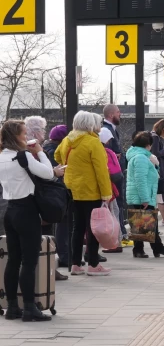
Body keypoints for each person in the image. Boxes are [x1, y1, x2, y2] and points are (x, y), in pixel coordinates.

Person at [0, 120, 55, 321]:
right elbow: (48, 173)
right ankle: (30, 307)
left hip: (10, 210)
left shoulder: (1, 157)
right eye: (23, 134)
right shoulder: (22, 156)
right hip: (27, 210)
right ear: (16, 136)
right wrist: (40, 152)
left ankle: (13, 307)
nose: (26, 137)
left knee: (13, 260)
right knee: (29, 261)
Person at [55, 111, 113, 276]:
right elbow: (101, 171)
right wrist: (106, 194)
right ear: (90, 124)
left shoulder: (67, 140)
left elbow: (57, 155)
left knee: (78, 227)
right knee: (94, 228)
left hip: (72, 189)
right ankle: (93, 264)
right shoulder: (93, 142)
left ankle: (75, 264)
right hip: (90, 191)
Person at [26, 116, 68, 281]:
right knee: (45, 233)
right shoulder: (34, 151)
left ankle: (48, 267)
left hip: (36, 197)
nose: (44, 132)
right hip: (39, 198)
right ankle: (47, 268)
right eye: (42, 129)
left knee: (45, 234)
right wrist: (54, 172)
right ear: (36, 132)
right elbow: (41, 173)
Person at [126, 132, 164, 259]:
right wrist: (145, 198)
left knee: (142, 222)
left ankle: (147, 249)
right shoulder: (141, 158)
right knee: (145, 222)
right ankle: (153, 248)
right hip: (142, 195)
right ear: (148, 145)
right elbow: (140, 179)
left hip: (140, 194)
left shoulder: (139, 156)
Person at [102, 104, 130, 247]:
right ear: (111, 114)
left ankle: (121, 233)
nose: (120, 115)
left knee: (118, 203)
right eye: (118, 113)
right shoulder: (106, 130)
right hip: (113, 174)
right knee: (117, 203)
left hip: (115, 172)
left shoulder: (111, 129)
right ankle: (120, 234)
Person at [43, 125, 70, 271]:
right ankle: (64, 255)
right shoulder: (53, 151)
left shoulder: (46, 148)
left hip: (53, 193)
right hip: (56, 193)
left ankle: (62, 255)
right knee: (62, 224)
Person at [98, 128, 125, 254]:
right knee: (114, 213)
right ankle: (116, 241)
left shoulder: (100, 152)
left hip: (104, 188)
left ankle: (114, 243)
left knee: (109, 215)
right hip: (112, 186)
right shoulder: (109, 151)